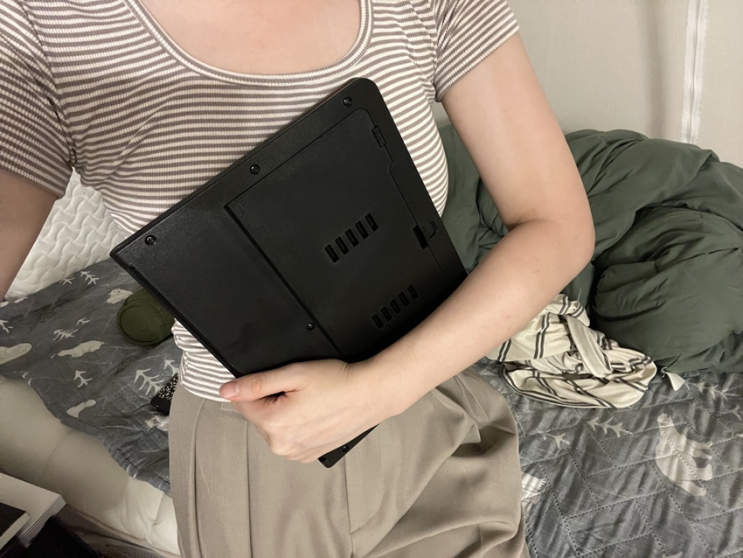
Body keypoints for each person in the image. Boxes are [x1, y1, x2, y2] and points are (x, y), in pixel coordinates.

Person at [0, 0, 594, 556]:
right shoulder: (42, 27)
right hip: (267, 448)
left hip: (434, 393)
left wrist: (381, 390)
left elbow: (557, 224)